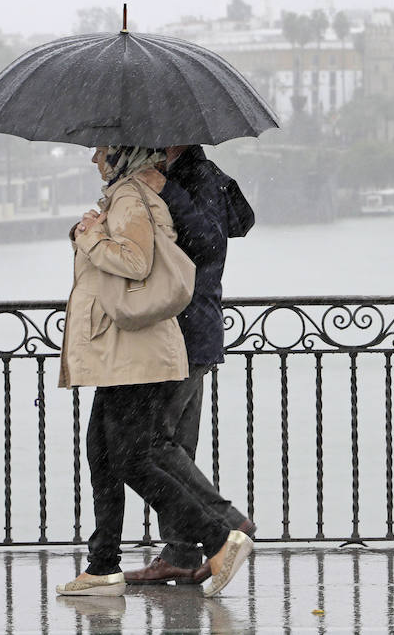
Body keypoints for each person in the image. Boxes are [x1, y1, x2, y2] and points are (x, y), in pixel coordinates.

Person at [55, 145, 252, 599]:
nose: (93, 158)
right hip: (137, 342)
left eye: (102, 150)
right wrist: (90, 231)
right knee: (111, 451)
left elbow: (146, 259)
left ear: (124, 153)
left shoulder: (144, 190)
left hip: (152, 341)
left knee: (141, 453)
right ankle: (106, 563)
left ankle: (220, 533)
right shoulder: (133, 192)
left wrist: (92, 237)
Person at [123, 144, 256, 586]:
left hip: (186, 329)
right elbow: (241, 220)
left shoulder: (193, 174)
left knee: (153, 442)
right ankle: (180, 553)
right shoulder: (198, 173)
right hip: (194, 328)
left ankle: (228, 522)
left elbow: (211, 240)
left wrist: (166, 191)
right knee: (176, 442)